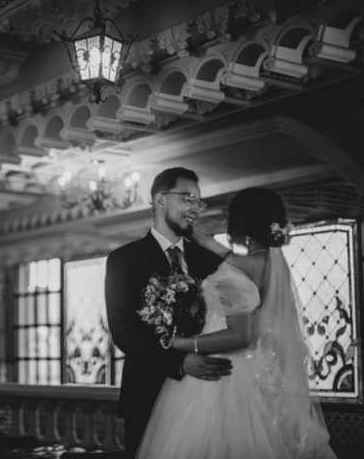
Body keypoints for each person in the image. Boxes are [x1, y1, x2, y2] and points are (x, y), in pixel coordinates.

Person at [136, 187, 337, 458]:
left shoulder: (240, 269)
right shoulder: (274, 262)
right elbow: (221, 252)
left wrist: (181, 343)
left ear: (240, 221)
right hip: (266, 372)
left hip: (229, 375)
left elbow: (241, 336)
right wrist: (193, 232)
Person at [104, 167, 232, 458]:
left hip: (207, 395)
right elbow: (124, 332)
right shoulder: (124, 260)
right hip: (147, 394)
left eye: (199, 202)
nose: (195, 209)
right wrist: (179, 362)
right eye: (188, 198)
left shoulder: (210, 259)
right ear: (161, 199)